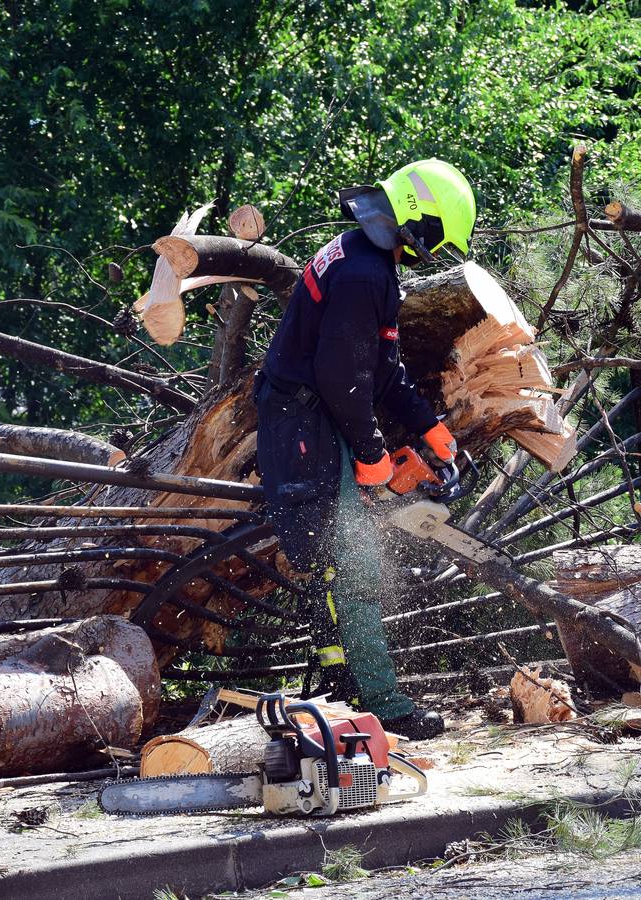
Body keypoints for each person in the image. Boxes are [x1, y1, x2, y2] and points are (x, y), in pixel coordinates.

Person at [253, 159, 477, 740]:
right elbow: (340, 376)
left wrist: (430, 431)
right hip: (305, 420)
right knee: (349, 562)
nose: (432, 251)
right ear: (420, 222)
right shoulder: (364, 274)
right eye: (436, 239)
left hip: (310, 415)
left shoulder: (363, 257)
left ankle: (339, 692)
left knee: (332, 562)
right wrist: (372, 453)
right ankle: (381, 702)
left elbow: (380, 368)